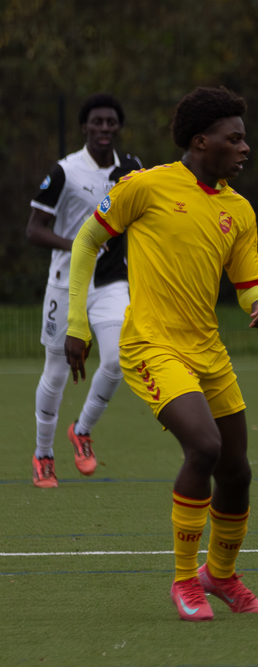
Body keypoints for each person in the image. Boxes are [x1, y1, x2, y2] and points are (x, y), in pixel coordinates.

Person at [64, 86, 258, 622]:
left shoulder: (238, 209)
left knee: (237, 472)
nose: (245, 148)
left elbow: (247, 282)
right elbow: (86, 241)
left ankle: (221, 576)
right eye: (234, 139)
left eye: (244, 139)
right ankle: (185, 581)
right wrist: (77, 324)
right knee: (203, 447)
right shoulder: (145, 186)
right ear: (202, 141)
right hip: (151, 345)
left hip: (208, 350)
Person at [26, 93, 142, 488]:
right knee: (56, 372)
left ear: (118, 127)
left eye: (111, 121)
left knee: (117, 360)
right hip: (65, 282)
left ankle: (82, 429)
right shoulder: (65, 171)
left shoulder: (132, 169)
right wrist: (78, 245)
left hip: (111, 282)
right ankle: (43, 454)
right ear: (84, 127)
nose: (104, 128)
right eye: (97, 121)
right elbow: (34, 229)